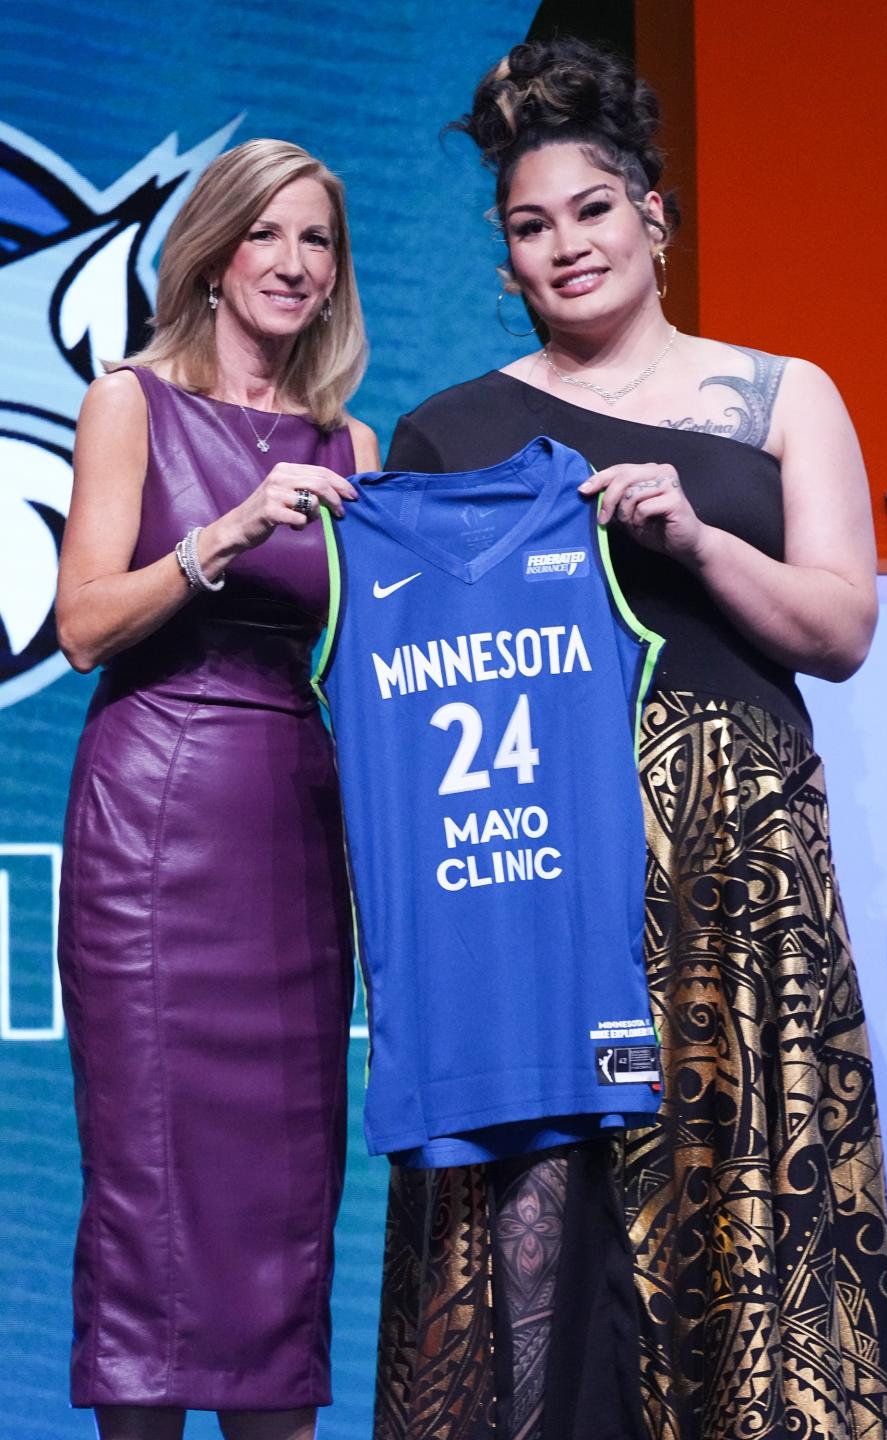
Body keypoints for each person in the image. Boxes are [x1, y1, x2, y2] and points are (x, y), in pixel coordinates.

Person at [373, 39, 887, 1440]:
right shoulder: (446, 434)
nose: (567, 248)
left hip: (742, 865)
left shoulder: (784, 396)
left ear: (654, 216)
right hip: (537, 873)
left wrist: (694, 535)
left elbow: (842, 628)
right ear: (505, 257)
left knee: (752, 1211)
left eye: (593, 209)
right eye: (530, 227)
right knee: (545, 1231)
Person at [55, 138, 378, 1440]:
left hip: (291, 819)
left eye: (320, 243)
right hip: (154, 815)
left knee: (285, 1198)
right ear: (215, 252)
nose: (296, 264)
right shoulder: (129, 403)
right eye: (270, 236)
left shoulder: (349, 441)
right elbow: (82, 624)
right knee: (150, 1192)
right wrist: (222, 537)